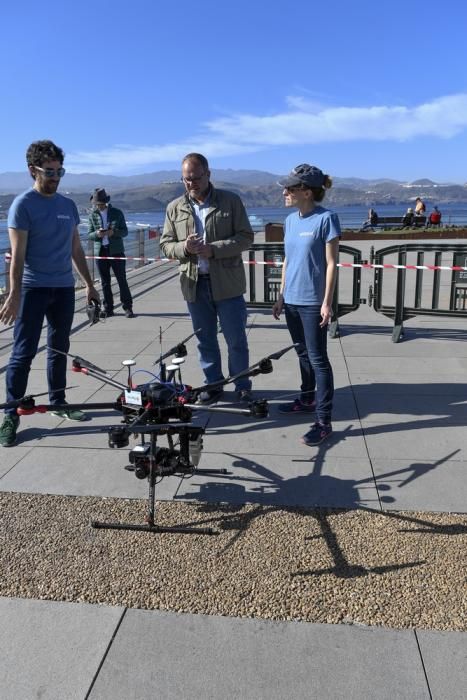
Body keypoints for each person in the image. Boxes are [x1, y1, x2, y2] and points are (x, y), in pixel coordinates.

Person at [0, 140, 100, 447]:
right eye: (50, 171)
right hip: (32, 289)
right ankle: (10, 413)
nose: (56, 177)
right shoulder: (23, 205)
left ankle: (58, 403)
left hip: (62, 288)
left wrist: (90, 284)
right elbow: (17, 255)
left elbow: (75, 248)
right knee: (23, 353)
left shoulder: (67, 206)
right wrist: (14, 294)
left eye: (60, 171)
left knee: (59, 348)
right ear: (33, 170)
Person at [160, 153, 254, 404]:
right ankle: (213, 385)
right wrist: (184, 248)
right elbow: (166, 246)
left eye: (196, 177)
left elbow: (246, 237)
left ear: (208, 174)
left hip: (227, 284)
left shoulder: (230, 201)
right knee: (205, 340)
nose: (192, 183)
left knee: (236, 339)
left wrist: (214, 249)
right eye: (186, 179)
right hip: (194, 285)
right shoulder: (174, 208)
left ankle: (242, 384)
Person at [272, 163, 340, 446]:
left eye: (291, 188)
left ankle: (324, 421)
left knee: (318, 359)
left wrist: (327, 303)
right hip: (291, 300)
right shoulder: (290, 221)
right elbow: (288, 260)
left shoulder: (326, 219)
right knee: (302, 353)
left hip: (313, 303)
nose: (285, 192)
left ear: (307, 192)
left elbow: (331, 263)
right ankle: (306, 399)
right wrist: (280, 295)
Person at [88, 188, 135, 318]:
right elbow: (89, 234)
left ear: (105, 202)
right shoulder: (92, 215)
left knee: (121, 279)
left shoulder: (117, 213)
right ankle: (108, 308)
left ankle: (128, 307)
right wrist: (97, 234)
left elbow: (124, 231)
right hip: (101, 251)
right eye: (97, 204)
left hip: (116, 251)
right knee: (104, 282)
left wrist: (113, 233)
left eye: (100, 203)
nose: (99, 206)